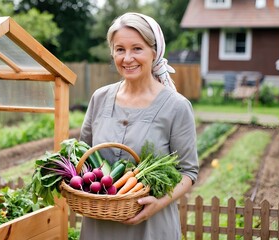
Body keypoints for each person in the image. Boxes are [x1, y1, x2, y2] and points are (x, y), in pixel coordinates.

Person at [79, 12, 199, 240]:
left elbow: (188, 172)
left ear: (155, 52)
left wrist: (158, 203)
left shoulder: (176, 106)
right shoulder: (100, 98)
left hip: (151, 226)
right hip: (98, 226)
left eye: (137, 48)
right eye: (120, 49)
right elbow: (82, 154)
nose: (127, 58)